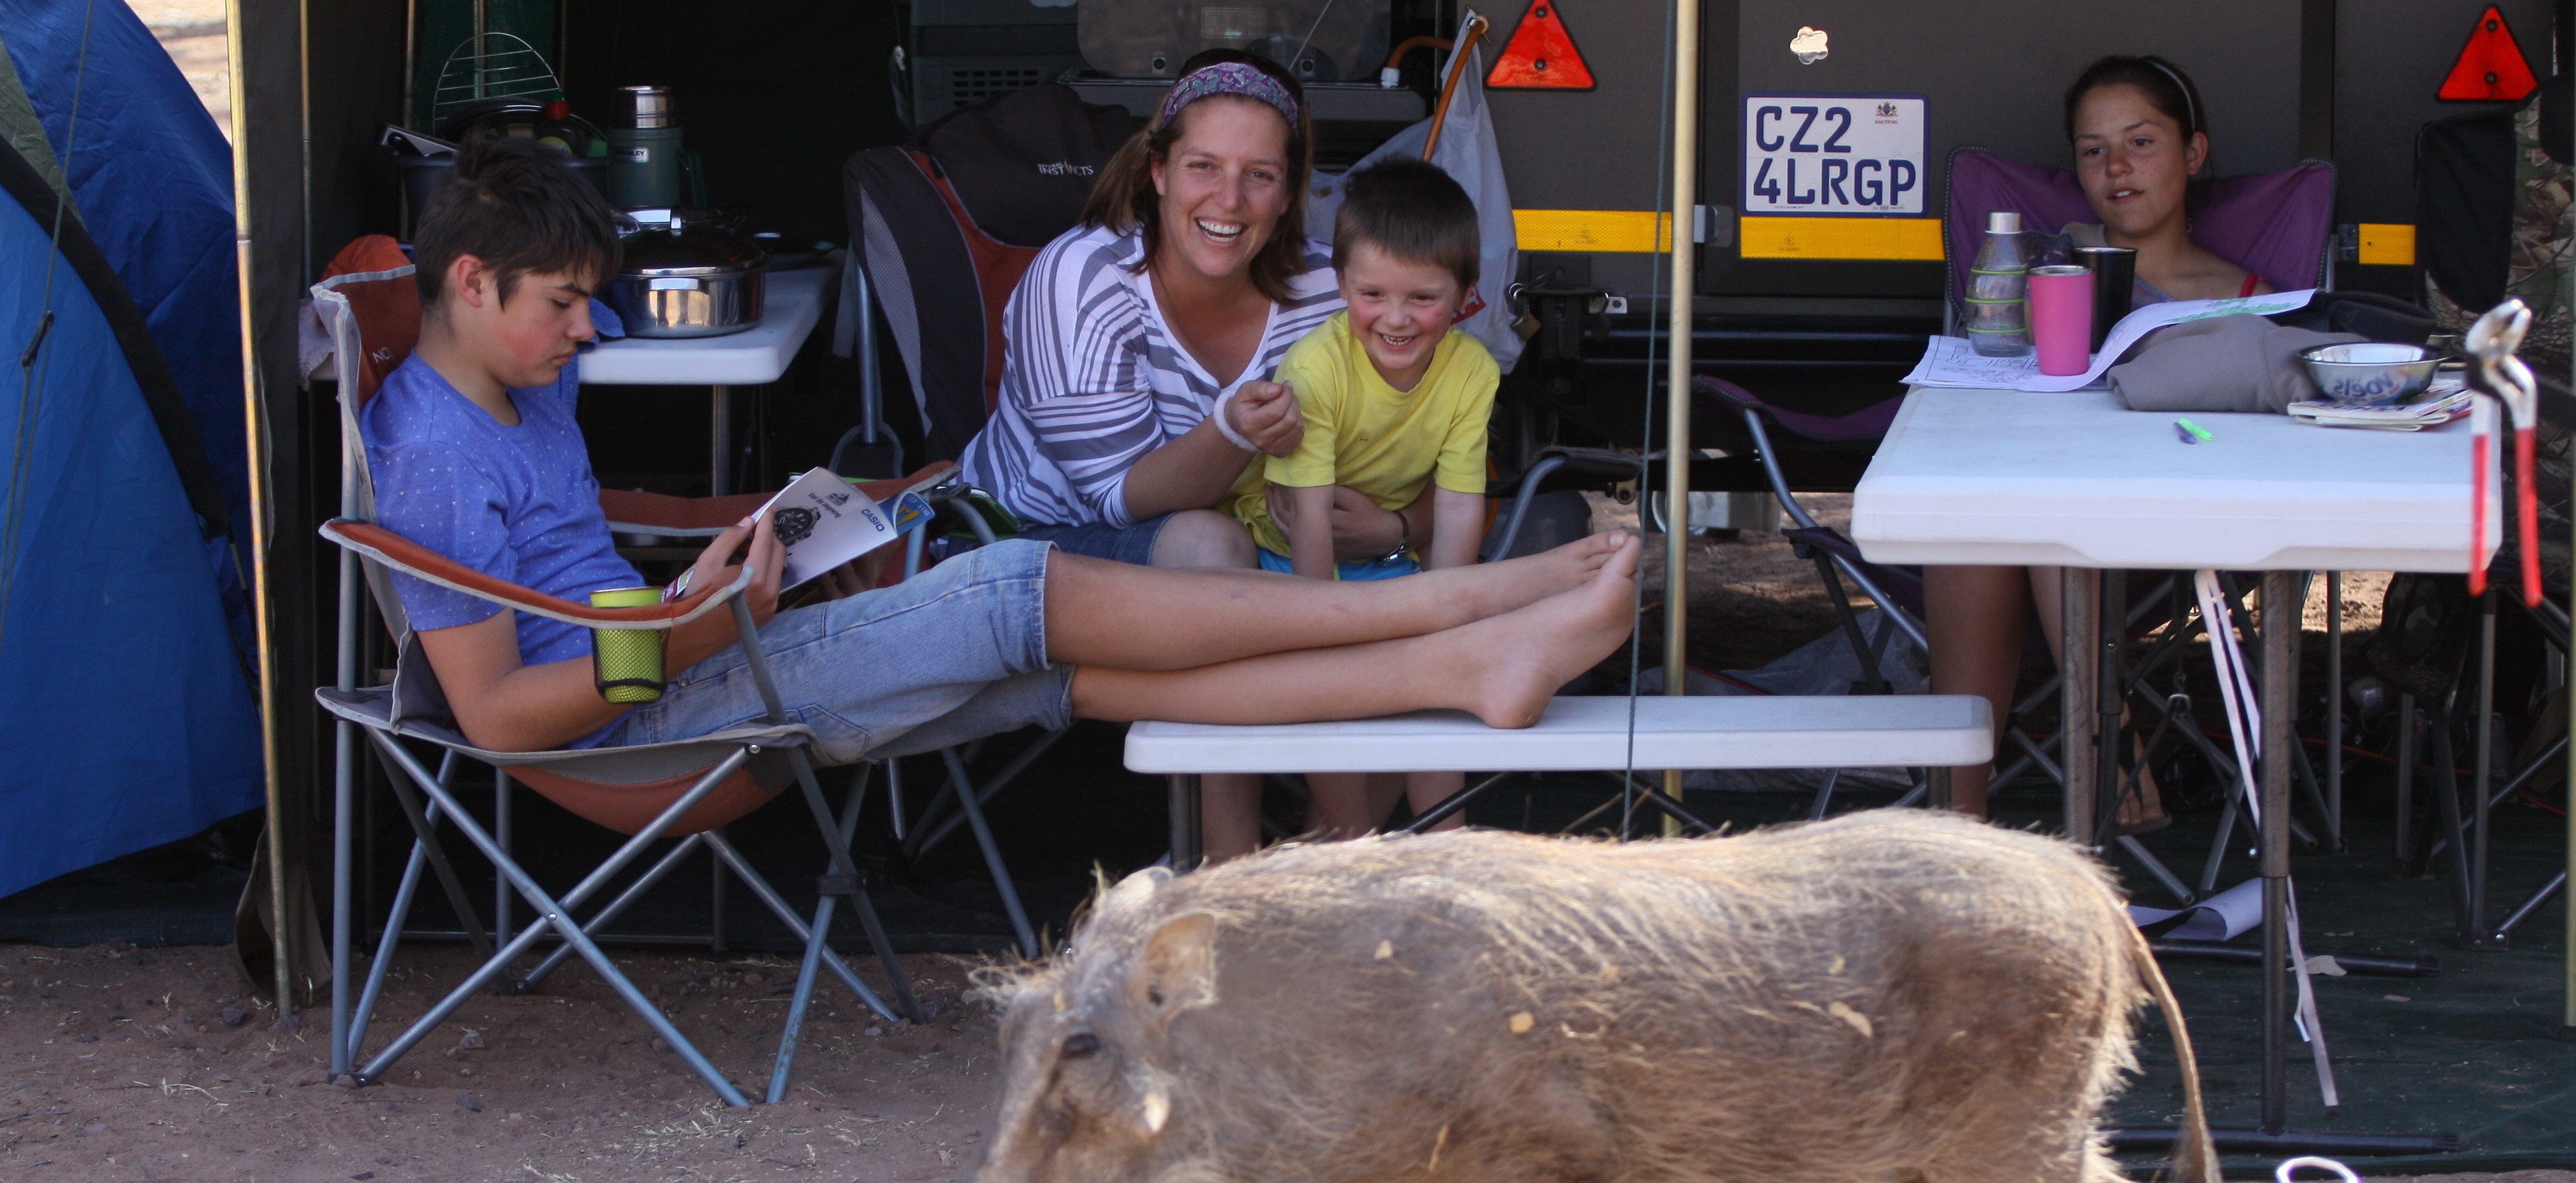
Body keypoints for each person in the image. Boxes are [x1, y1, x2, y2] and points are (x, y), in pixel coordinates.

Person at [364, 140, 1642, 805]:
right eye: (566, 305)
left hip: (688, 654)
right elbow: (498, 720)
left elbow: (575, 586)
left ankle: (1456, 665)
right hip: (646, 728)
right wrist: (699, 626)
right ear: (470, 284)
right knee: (1011, 582)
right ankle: (1448, 603)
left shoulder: (525, 391)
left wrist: (727, 568)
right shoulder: (429, 451)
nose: (588, 332)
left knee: (1067, 673)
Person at [958, 50, 1438, 857]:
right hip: (1027, 542)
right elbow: (1118, 498)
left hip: (1262, 551)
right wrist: (1233, 432)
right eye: (1203, 168)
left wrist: (1389, 528)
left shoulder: (1331, 292)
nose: (1228, 199)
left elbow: (1443, 469)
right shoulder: (1082, 278)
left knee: (1414, 582)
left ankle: (1326, 853)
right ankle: (1229, 868)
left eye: (1258, 176)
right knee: (1216, 547)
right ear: (1157, 172)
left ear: (1290, 194)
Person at [1923, 55, 2260, 826]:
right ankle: (1958, 822)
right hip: (2051, 505)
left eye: (2141, 142)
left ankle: (2101, 741)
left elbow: (2237, 431)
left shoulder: (2247, 299)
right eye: (2091, 149)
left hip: (2179, 523)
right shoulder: (2044, 276)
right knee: (1977, 520)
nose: (2115, 167)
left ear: (2193, 153)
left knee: (2041, 510)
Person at [1243, 157, 1498, 836]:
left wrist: (1448, 612)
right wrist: (1323, 623)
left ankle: (1449, 850)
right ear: (1341, 284)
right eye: (1373, 294)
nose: (1396, 318)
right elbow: (1306, 517)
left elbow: (1457, 505)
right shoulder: (1316, 367)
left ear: (1465, 294)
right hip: (1291, 559)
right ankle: (1344, 849)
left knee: (1434, 695)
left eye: (1422, 298)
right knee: (1328, 703)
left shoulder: (1472, 371)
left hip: (1385, 562)